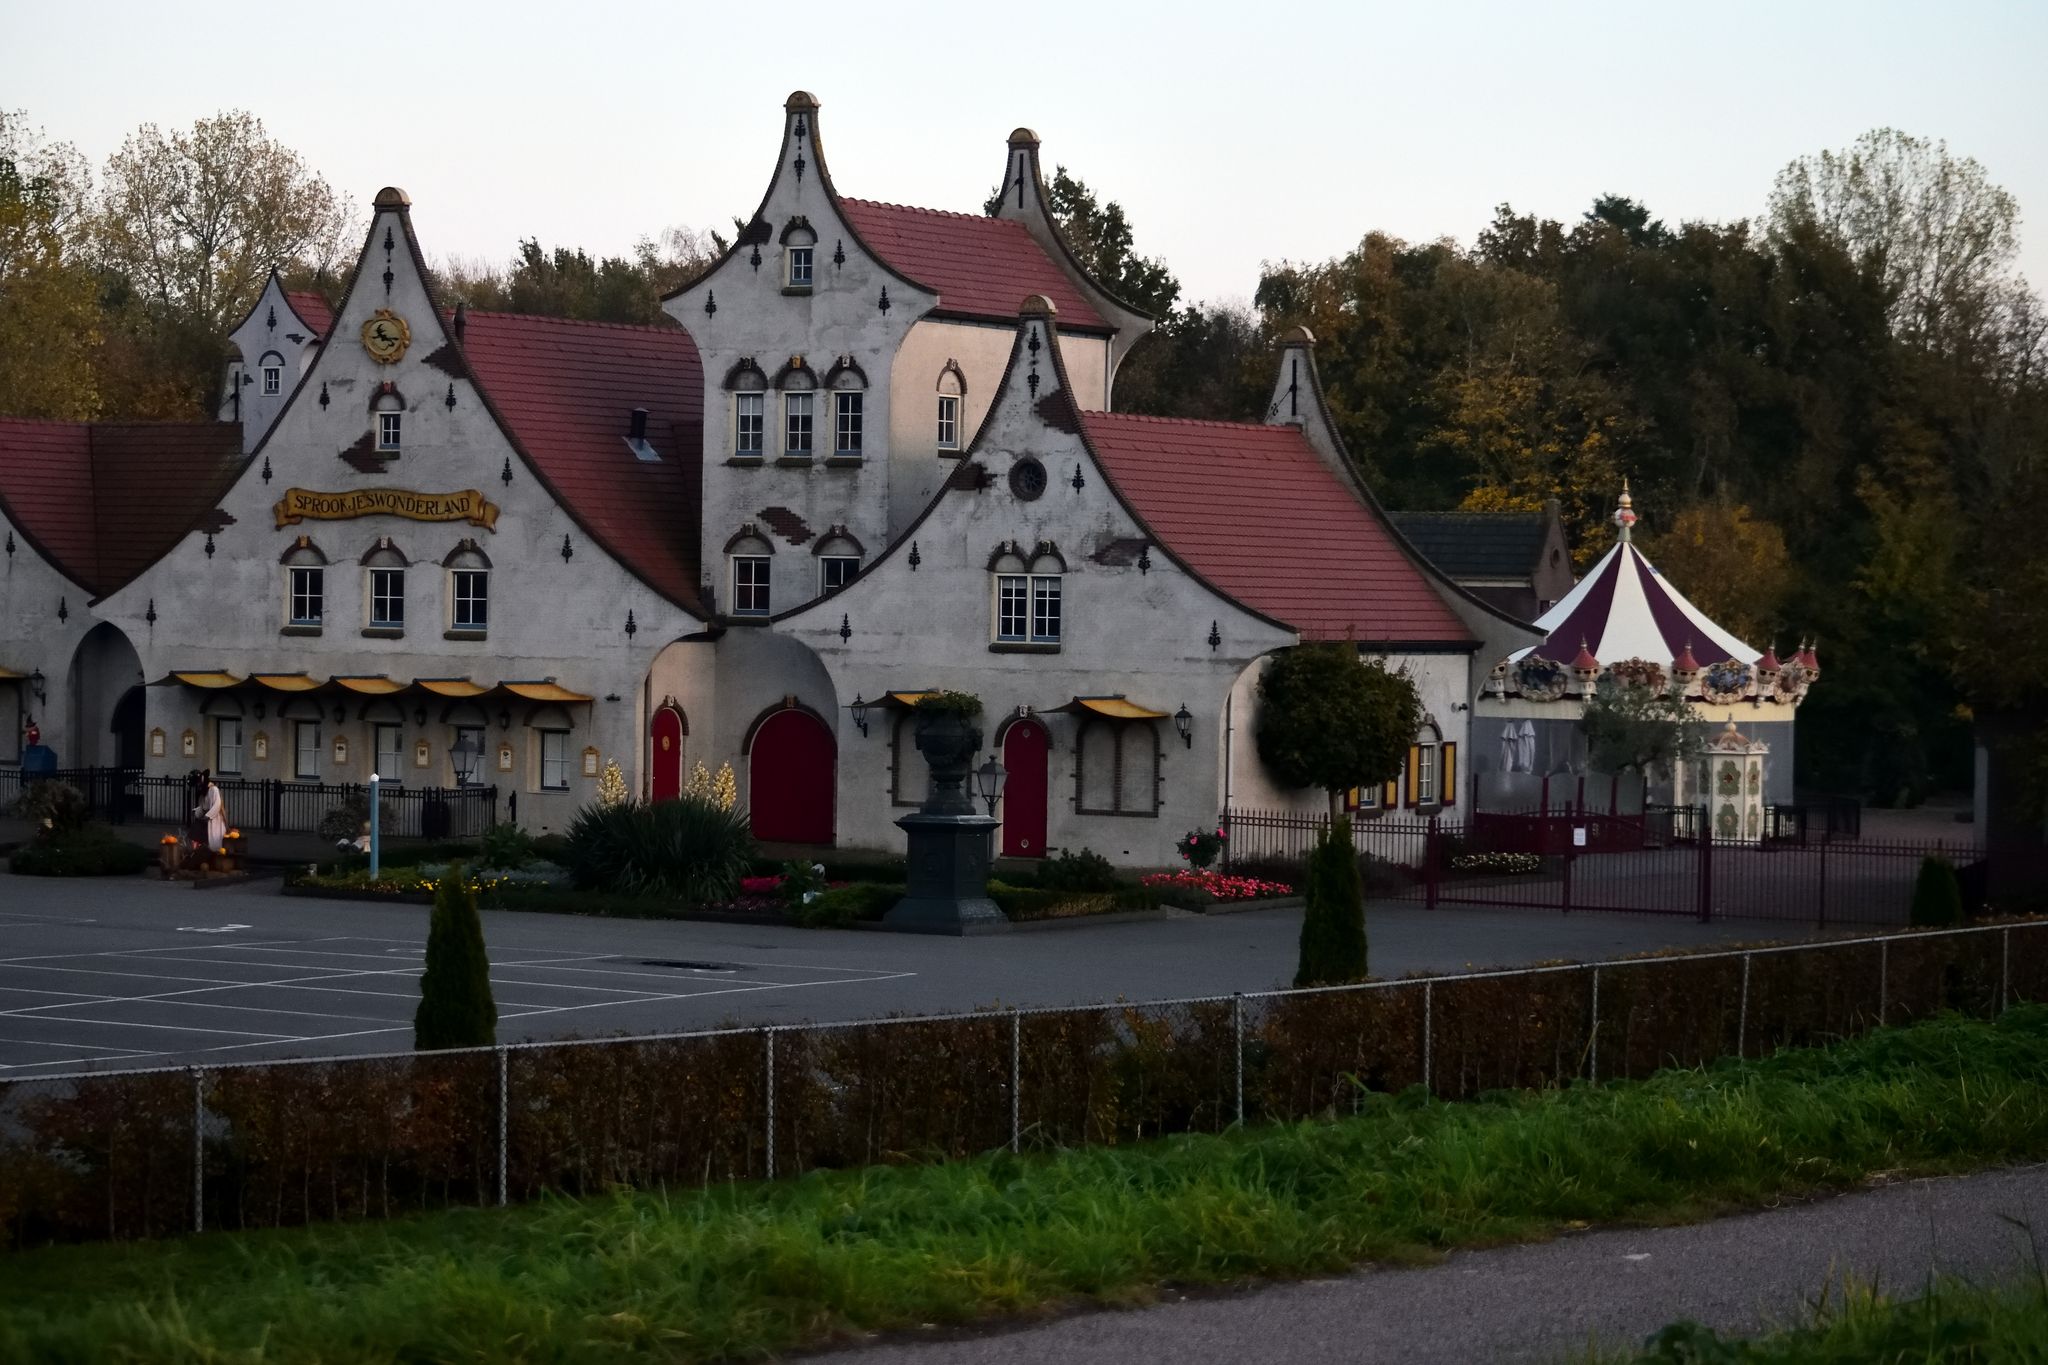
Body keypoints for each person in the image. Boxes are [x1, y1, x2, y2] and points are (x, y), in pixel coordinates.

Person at [196, 769, 227, 853]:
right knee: (208, 840)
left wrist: (208, 815)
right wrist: (197, 812)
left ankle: (217, 854)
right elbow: (203, 806)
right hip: (208, 821)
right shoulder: (204, 793)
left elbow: (217, 804)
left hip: (216, 820)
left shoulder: (214, 790)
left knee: (216, 838)